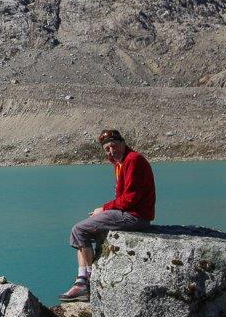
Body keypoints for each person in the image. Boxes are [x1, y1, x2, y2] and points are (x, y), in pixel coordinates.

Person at [59, 129, 156, 302]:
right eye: (107, 149)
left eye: (113, 146)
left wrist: (104, 209)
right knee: (86, 228)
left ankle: (85, 283)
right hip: (130, 213)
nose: (111, 151)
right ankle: (83, 279)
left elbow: (131, 198)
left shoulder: (133, 160)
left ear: (123, 143)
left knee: (79, 229)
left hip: (135, 216)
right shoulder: (120, 163)